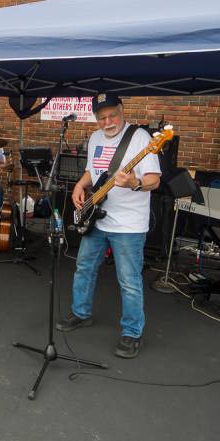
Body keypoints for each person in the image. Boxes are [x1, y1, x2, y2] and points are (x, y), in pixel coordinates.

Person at [55, 93, 161, 359]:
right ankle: (81, 312)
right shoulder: (95, 138)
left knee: (129, 281)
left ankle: (132, 332)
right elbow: (94, 171)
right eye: (102, 117)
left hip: (128, 224)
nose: (108, 121)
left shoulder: (141, 139)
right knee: (84, 267)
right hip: (98, 217)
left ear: (122, 110)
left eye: (112, 115)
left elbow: (154, 180)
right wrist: (80, 185)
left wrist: (133, 183)